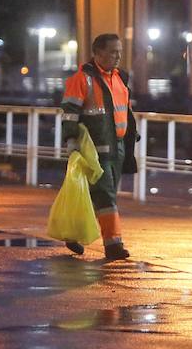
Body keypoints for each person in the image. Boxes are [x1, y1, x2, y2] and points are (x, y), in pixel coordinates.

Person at [59, 33, 138, 261]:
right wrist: (71, 143)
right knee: (105, 197)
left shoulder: (120, 78)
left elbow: (123, 112)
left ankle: (72, 231)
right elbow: (69, 114)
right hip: (93, 149)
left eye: (120, 51)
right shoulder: (82, 79)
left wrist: (132, 136)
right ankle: (113, 244)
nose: (118, 56)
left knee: (100, 196)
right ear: (98, 53)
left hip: (118, 148)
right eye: (113, 51)